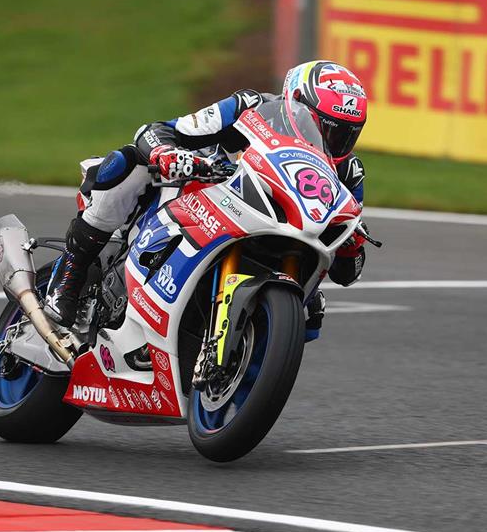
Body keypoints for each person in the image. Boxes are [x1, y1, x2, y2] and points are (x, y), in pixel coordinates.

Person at [44, 60, 369, 340]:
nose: (332, 141)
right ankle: (70, 276)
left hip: (280, 238)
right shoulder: (251, 107)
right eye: (324, 128)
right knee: (128, 163)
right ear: (294, 103)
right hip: (201, 195)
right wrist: (166, 154)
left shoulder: (349, 173)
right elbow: (157, 131)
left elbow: (347, 272)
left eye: (345, 133)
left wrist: (352, 245)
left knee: (310, 316)